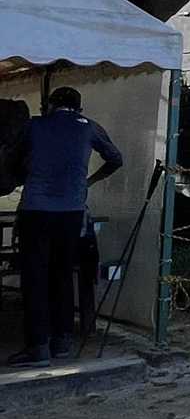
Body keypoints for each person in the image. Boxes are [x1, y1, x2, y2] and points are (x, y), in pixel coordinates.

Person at [8, 87, 122, 367]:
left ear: (49, 105)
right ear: (78, 108)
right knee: (62, 274)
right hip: (72, 211)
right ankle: (62, 341)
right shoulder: (89, 127)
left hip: (36, 211)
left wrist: (28, 173)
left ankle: (38, 348)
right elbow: (116, 159)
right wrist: (89, 181)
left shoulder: (34, 126)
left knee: (35, 278)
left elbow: (11, 160)